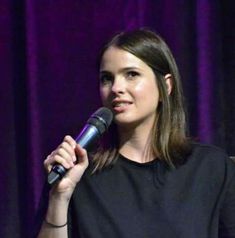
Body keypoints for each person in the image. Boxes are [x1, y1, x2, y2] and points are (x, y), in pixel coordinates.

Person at [36, 29, 235, 238]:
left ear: (166, 85)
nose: (116, 88)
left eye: (131, 74)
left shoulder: (210, 168)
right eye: (106, 78)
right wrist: (59, 196)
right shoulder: (80, 175)